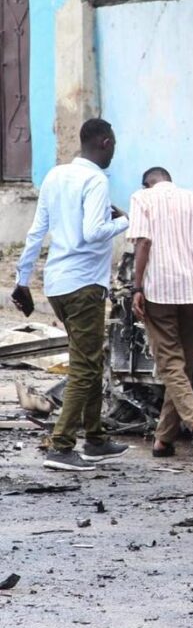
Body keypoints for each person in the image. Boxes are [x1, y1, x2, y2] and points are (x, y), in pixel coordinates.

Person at [12, 118, 130, 471]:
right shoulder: (95, 180)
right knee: (84, 366)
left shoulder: (55, 175)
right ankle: (61, 445)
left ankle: (95, 439)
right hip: (84, 286)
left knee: (90, 360)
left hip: (58, 284)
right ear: (106, 143)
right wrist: (125, 220)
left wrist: (22, 281)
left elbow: (36, 232)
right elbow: (94, 232)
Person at [128, 167, 193, 459]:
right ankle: (163, 440)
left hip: (159, 289)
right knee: (183, 366)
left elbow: (143, 242)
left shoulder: (141, 198)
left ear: (148, 183)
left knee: (170, 363)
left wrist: (137, 286)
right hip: (192, 291)